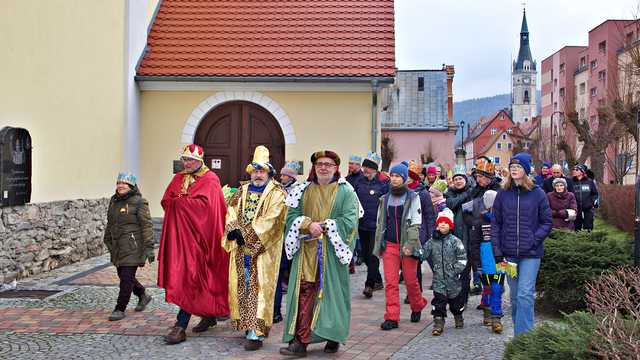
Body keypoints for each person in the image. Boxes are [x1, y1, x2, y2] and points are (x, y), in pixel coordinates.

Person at [280, 150, 360, 357]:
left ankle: (333, 336)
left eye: (328, 164)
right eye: (319, 164)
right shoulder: (302, 190)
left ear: (336, 168)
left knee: (331, 295)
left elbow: (350, 222)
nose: (323, 167)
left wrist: (325, 226)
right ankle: (300, 341)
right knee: (304, 294)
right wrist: (307, 224)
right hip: (306, 252)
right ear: (314, 168)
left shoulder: (346, 192)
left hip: (331, 254)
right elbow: (291, 217)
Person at [158, 144, 230, 345]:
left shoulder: (210, 180)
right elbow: (166, 200)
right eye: (184, 159)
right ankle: (209, 316)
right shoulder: (178, 178)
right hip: (181, 239)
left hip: (203, 239)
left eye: (190, 160)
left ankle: (180, 326)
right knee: (185, 277)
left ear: (200, 161)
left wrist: (181, 203)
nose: (186, 163)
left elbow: (208, 209)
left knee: (192, 278)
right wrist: (179, 202)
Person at [222, 146, 287, 351]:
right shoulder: (242, 190)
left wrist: (248, 235)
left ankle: (256, 333)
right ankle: (246, 323)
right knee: (243, 285)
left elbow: (273, 220)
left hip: (263, 249)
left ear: (268, 173)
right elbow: (231, 209)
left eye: (262, 171)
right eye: (255, 171)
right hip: (241, 250)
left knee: (259, 289)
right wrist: (233, 228)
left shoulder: (277, 193)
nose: (258, 175)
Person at [491, 152, 552, 336]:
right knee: (516, 298)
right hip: (508, 255)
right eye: (512, 167)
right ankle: (523, 333)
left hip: (531, 254)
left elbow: (547, 221)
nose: (514, 169)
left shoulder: (538, 193)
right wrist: (497, 251)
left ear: (526, 170)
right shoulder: (502, 194)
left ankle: (523, 339)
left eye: (518, 167)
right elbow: (496, 224)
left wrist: (534, 240)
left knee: (525, 295)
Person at [374, 162, 428, 331]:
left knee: (411, 281)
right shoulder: (385, 198)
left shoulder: (413, 197)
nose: (394, 179)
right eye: (393, 176)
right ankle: (392, 317)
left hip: (407, 245)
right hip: (390, 245)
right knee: (391, 282)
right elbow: (380, 222)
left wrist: (410, 244)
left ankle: (417, 305)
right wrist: (379, 244)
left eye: (398, 176)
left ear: (404, 178)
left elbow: (416, 222)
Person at [103, 172, 154, 321]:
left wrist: (149, 247)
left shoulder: (139, 202)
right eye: (118, 183)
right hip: (118, 246)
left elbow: (147, 226)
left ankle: (119, 308)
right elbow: (110, 222)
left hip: (133, 246)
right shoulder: (114, 201)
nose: (120, 186)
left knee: (126, 278)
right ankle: (142, 294)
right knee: (124, 275)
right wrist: (108, 239)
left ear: (131, 185)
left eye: (124, 183)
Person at [423, 209, 467, 336]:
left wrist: (456, 269)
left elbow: (462, 258)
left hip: (453, 280)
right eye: (440, 222)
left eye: (445, 223)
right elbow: (424, 252)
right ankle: (438, 322)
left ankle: (458, 316)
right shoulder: (432, 241)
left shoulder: (455, 241)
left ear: (450, 226)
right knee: (438, 303)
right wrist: (416, 254)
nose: (442, 225)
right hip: (439, 281)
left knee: (455, 304)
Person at [353, 152, 388, 298]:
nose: (365, 171)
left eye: (368, 168)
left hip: (376, 227)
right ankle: (378, 280)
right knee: (365, 256)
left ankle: (369, 284)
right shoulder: (358, 182)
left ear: (374, 170)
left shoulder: (382, 184)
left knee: (373, 255)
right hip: (361, 225)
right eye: (364, 168)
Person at [273, 161, 300, 323]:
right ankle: (275, 309)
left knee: (287, 273)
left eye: (284, 175)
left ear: (290, 177)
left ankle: (285, 309)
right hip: (277, 237)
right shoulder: (276, 189)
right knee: (278, 275)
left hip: (290, 237)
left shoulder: (297, 190)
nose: (281, 177)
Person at [445, 165, 475, 299]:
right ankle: (455, 294)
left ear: (465, 179)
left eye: (460, 179)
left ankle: (464, 296)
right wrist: (465, 195)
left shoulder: (473, 191)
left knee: (466, 268)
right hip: (455, 235)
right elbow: (451, 204)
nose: (458, 181)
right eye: (456, 179)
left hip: (469, 235)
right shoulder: (450, 192)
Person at [572, 164, 599, 231]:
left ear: (582, 171)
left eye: (576, 170)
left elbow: (595, 194)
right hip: (576, 209)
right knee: (576, 228)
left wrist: (593, 202)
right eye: (574, 169)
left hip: (588, 209)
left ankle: (588, 240)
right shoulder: (570, 181)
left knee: (588, 227)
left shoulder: (589, 181)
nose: (574, 171)